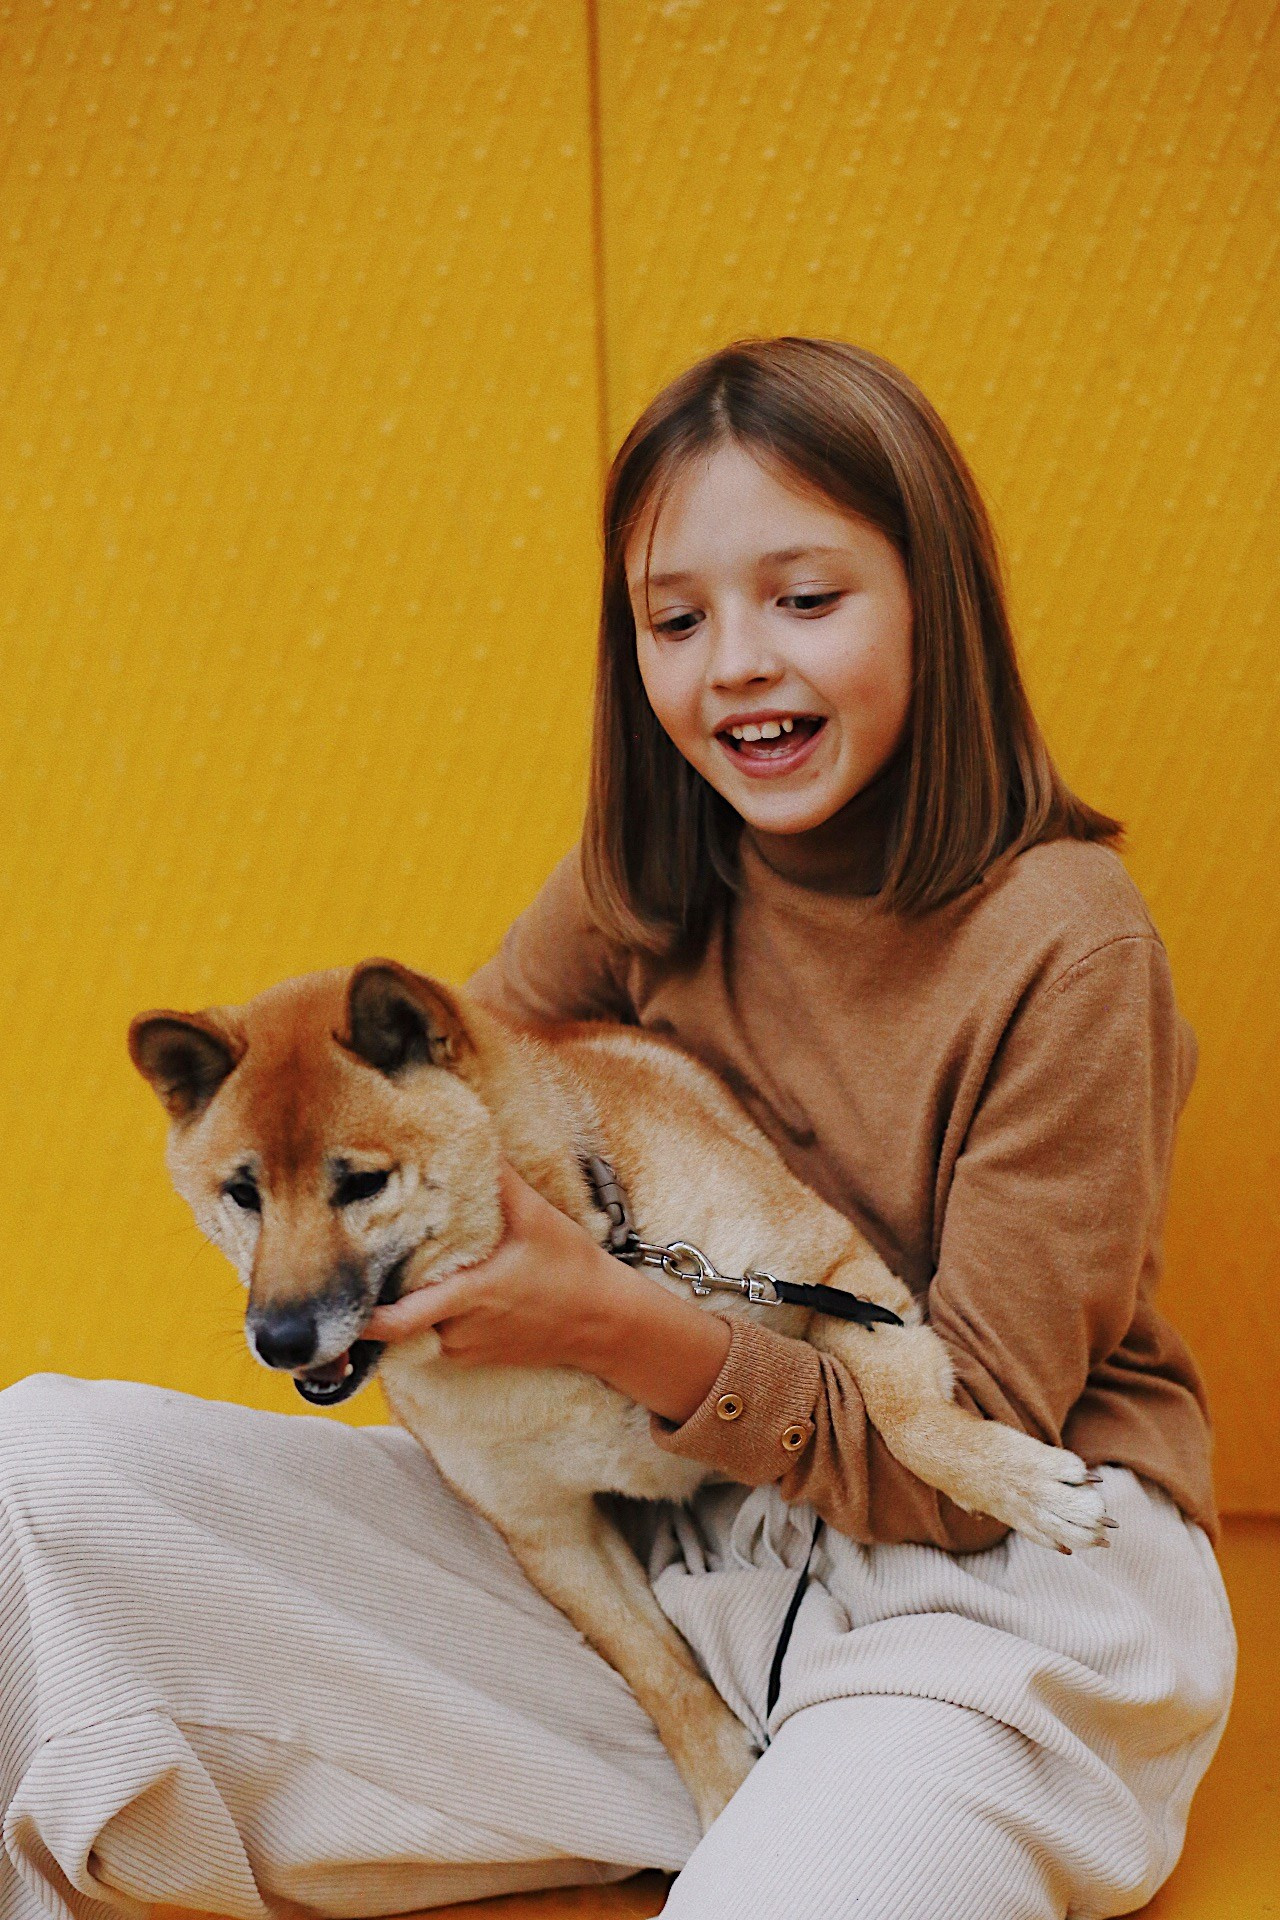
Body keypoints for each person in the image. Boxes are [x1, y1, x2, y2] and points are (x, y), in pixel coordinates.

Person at [0, 339, 1234, 1920]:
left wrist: (609, 1322)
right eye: (675, 619)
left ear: (940, 605)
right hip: (670, 1573)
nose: (733, 663)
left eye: (805, 598)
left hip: (986, 1587)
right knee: (47, 1476)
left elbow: (967, 1448)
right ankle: (710, 1776)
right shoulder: (638, 882)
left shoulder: (1071, 946)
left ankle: (815, 1818)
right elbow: (450, 1138)